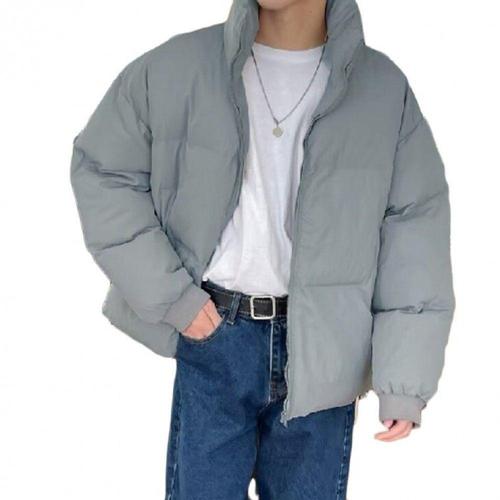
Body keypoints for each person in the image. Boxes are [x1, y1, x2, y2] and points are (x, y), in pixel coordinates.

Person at [70, 0, 455, 498]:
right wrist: (173, 297)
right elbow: (103, 171)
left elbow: (415, 232)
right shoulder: (176, 68)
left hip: (326, 355)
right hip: (215, 337)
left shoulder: (382, 89)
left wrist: (404, 380)